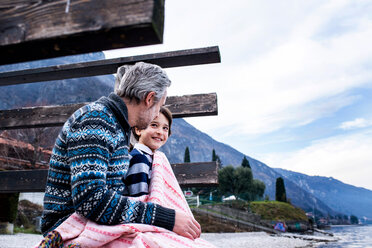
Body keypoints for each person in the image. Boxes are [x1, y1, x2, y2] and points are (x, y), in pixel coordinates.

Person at [41, 62, 201, 241]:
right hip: (67, 226)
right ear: (149, 99)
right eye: (159, 106)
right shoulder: (96, 121)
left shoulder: (118, 125)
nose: (157, 114)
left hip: (96, 222)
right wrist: (166, 218)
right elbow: (91, 199)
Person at [124, 107, 172, 197]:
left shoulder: (153, 159)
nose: (160, 132)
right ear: (138, 129)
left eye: (165, 128)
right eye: (154, 125)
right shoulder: (139, 158)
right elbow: (140, 199)